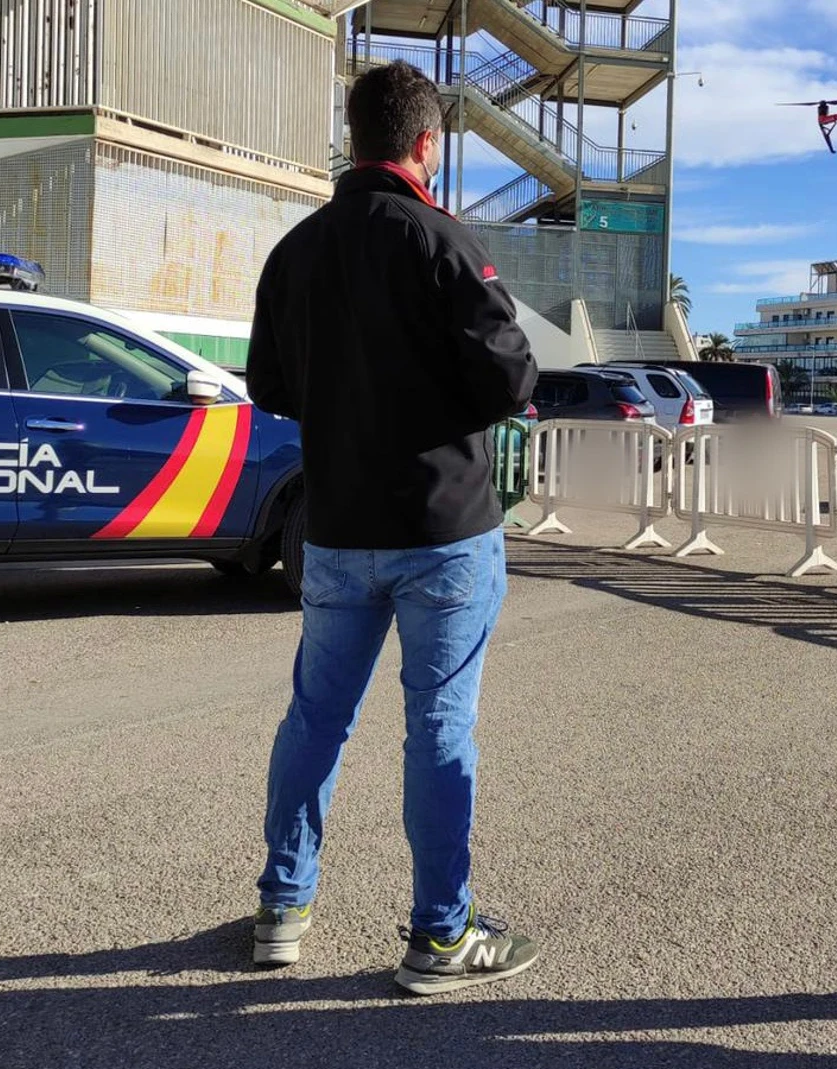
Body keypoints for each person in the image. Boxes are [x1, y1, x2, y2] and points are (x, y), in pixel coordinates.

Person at [243, 59, 539, 995]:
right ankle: (441, 935)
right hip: (443, 528)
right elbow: (512, 380)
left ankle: (283, 908)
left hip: (335, 526)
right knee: (439, 729)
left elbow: (269, 384)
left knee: (316, 719)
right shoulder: (442, 240)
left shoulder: (297, 249)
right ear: (426, 145)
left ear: (354, 137)